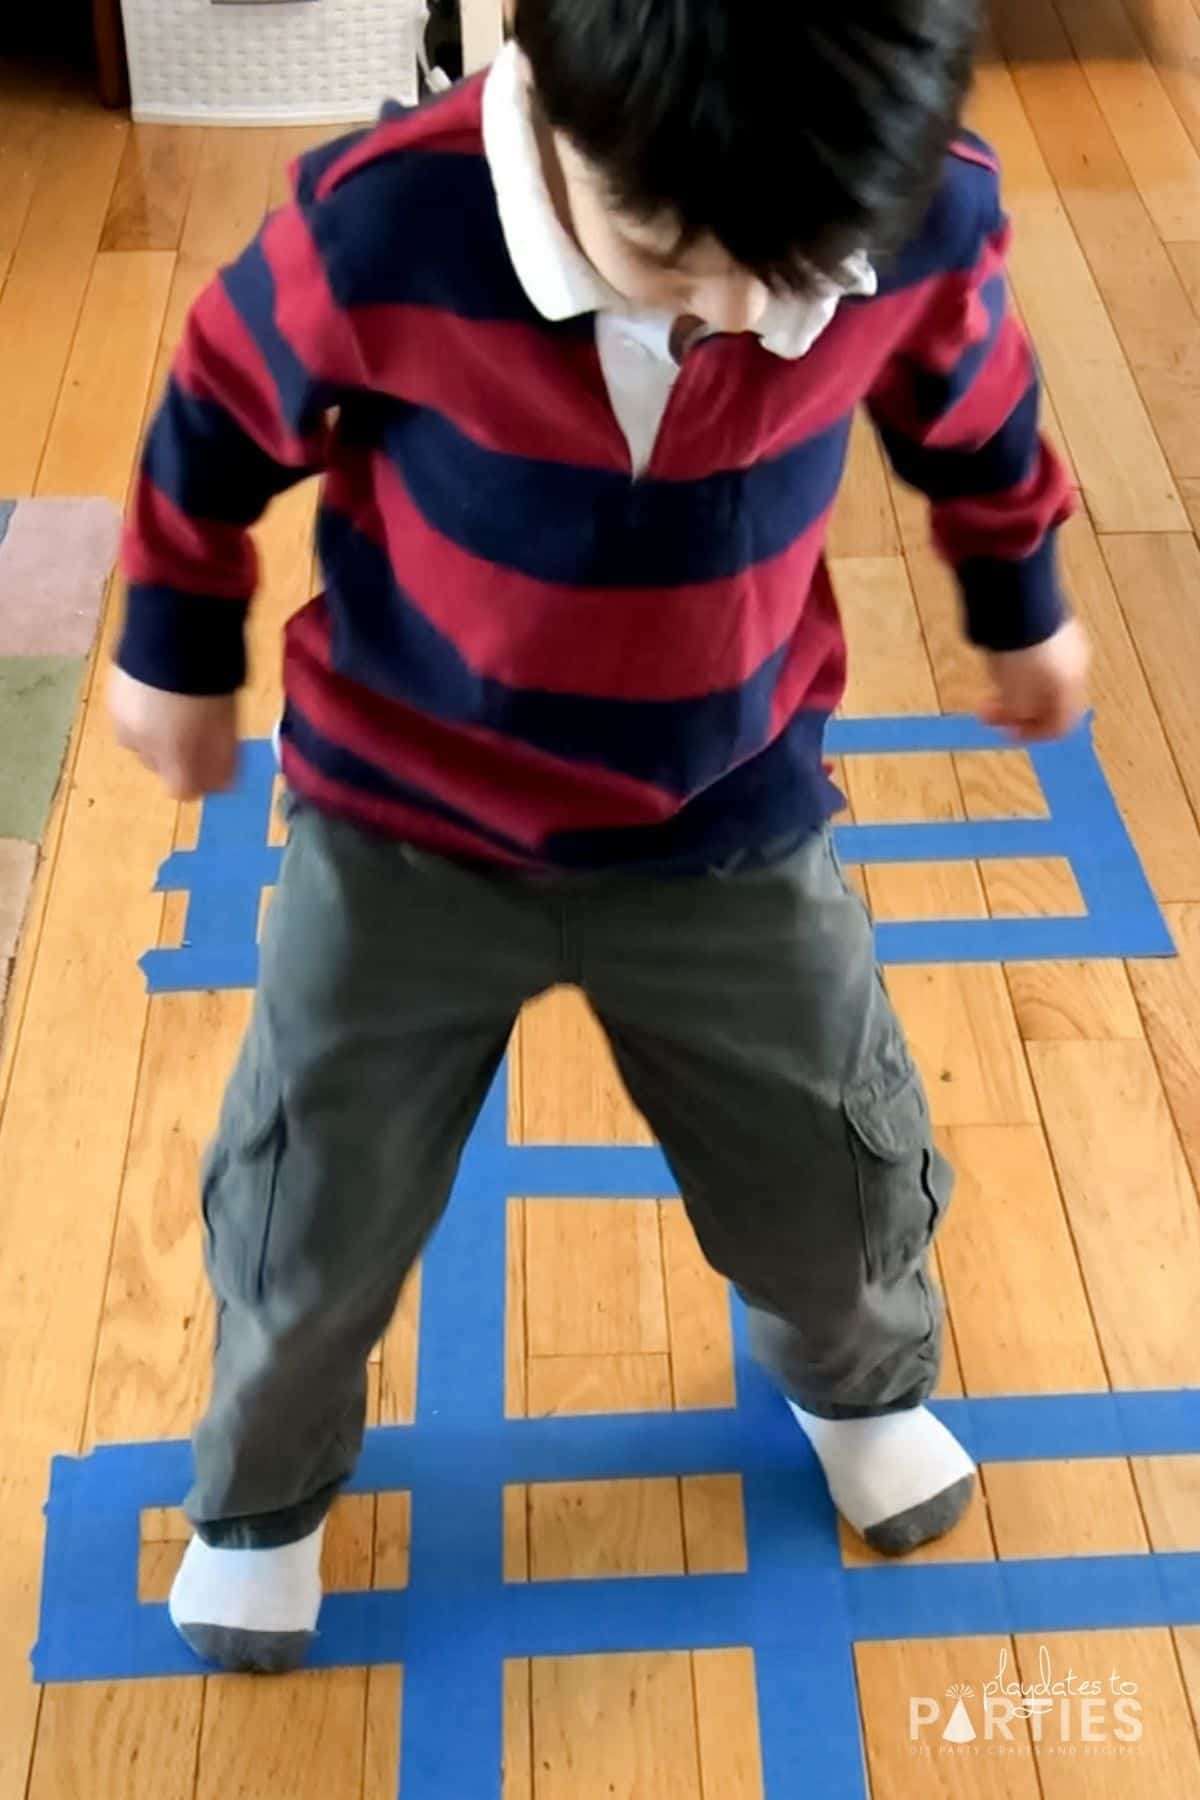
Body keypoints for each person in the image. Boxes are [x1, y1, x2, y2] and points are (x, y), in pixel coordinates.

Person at [111, 0, 1088, 1674]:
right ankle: (259, 1499)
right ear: (543, 83)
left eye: (803, 273)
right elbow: (212, 419)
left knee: (826, 1173)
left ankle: (856, 1390)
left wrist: (1022, 602)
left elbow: (977, 406)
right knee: (312, 1204)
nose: (737, 312)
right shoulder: (377, 222)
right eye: (671, 252)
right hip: (403, 820)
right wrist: (173, 646)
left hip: (729, 812)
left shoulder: (916, 203)